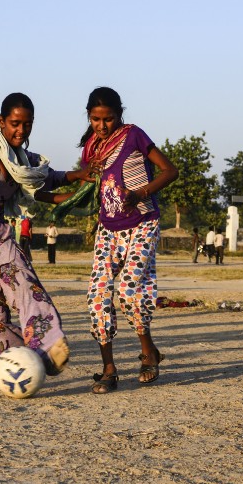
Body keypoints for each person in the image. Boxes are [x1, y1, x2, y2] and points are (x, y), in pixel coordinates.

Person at [0, 93, 89, 375]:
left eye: (27, 124)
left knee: (24, 281)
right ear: (2, 122)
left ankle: (49, 348)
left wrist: (82, 179)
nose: (21, 131)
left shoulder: (24, 160)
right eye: (15, 123)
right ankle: (18, 356)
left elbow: (51, 178)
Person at [79, 87, 178, 394]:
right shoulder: (90, 148)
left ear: (119, 114)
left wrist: (140, 193)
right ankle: (108, 368)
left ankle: (148, 352)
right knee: (97, 296)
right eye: (95, 119)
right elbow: (87, 183)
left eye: (107, 118)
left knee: (128, 289)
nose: (102, 125)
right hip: (108, 229)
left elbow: (170, 170)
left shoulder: (134, 135)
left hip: (142, 224)